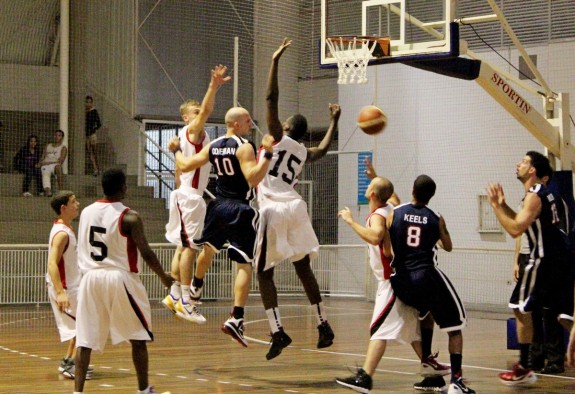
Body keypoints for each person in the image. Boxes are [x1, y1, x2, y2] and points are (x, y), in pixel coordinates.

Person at [252, 38, 340, 360]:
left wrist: (274, 60)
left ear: (287, 127)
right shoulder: (303, 151)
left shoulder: (277, 137)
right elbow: (325, 149)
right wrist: (334, 121)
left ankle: (277, 331)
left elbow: (270, 97)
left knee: (263, 272)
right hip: (296, 206)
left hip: (273, 207)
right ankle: (323, 324)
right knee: (303, 269)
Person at [168, 107, 274, 347]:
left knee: (208, 249)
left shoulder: (214, 144)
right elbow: (254, 178)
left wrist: (175, 150)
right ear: (235, 124)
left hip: (217, 207)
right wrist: (266, 154)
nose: (250, 123)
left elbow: (185, 165)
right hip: (240, 209)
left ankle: (195, 288)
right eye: (247, 120)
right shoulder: (244, 146)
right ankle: (236, 317)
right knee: (244, 264)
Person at [74, 168, 174, 394]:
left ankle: (77, 392)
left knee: (85, 340)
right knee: (138, 337)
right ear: (123, 188)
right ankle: (144, 390)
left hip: (89, 278)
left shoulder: (86, 212)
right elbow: (146, 252)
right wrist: (164, 277)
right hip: (119, 277)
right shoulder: (130, 217)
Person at [336, 176, 429, 393]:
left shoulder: (377, 216)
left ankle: (366, 378)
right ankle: (433, 376)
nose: (368, 188)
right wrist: (374, 174)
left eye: (370, 186)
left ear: (372, 195)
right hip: (403, 277)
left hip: (391, 281)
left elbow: (376, 237)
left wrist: (350, 221)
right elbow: (392, 194)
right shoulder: (393, 207)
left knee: (378, 330)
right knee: (414, 335)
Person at [487, 151, 572, 385]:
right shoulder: (541, 195)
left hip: (543, 259)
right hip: (556, 260)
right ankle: (528, 363)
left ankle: (525, 366)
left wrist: (495, 207)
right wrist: (503, 205)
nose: (519, 164)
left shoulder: (535, 196)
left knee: (520, 307)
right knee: (561, 315)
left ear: (533, 170)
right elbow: (522, 221)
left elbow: (516, 229)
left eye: (524, 162)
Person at [387, 175, 475, 394]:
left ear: (413, 190)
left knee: (427, 314)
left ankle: (426, 360)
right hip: (426, 275)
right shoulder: (435, 217)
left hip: (401, 281)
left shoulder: (395, 213)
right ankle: (457, 381)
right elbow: (448, 246)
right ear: (431, 196)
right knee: (456, 325)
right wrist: (438, 232)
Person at [162, 65, 231, 324]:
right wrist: (213, 86)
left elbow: (179, 172)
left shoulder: (186, 138)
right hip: (189, 196)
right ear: (185, 118)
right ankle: (186, 301)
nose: (200, 114)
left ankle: (173, 294)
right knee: (190, 248)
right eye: (195, 112)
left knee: (182, 248)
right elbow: (208, 110)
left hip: (185, 193)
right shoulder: (191, 133)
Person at [46, 191, 94, 380]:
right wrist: (60, 292)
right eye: (73, 202)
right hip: (65, 289)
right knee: (83, 328)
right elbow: (52, 263)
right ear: (63, 208)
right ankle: (70, 366)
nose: (78, 204)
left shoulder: (65, 228)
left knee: (81, 326)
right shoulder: (61, 234)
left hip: (72, 286)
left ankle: (69, 361)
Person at [38, 129, 67, 197]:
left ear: (62, 138)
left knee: (59, 167)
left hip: (55, 165)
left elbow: (61, 161)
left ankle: (61, 191)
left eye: (59, 135)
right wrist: (39, 163)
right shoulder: (48, 146)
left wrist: (48, 162)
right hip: (45, 165)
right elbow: (43, 157)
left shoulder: (63, 148)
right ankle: (48, 191)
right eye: (56, 135)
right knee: (45, 173)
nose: (57, 137)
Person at [85, 95, 102, 176]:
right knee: (90, 152)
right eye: (86, 102)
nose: (88, 104)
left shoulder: (94, 111)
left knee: (95, 152)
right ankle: (95, 168)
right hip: (86, 135)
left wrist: (93, 129)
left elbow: (99, 124)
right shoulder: (84, 112)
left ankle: (98, 168)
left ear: (92, 103)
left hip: (92, 134)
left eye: (89, 102)